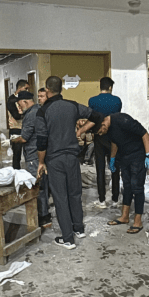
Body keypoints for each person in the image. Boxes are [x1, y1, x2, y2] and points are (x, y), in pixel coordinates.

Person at [36, 76, 103, 250]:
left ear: (47, 90)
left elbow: (42, 141)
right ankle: (78, 229)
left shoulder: (43, 111)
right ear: (61, 89)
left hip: (55, 159)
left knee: (60, 197)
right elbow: (96, 115)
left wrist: (41, 162)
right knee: (75, 194)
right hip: (73, 158)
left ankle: (67, 238)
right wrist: (81, 130)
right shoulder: (73, 106)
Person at [92, 112, 149, 234]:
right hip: (124, 157)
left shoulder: (122, 120)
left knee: (137, 187)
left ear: (103, 124)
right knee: (126, 187)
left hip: (137, 155)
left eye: (100, 131)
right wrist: (113, 158)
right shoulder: (108, 130)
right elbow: (115, 142)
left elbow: (144, 133)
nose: (100, 134)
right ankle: (124, 217)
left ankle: (138, 221)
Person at [10, 91, 51, 228]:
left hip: (34, 155)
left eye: (19, 104)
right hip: (43, 153)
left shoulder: (31, 114)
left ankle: (43, 217)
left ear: (26, 101)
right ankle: (45, 215)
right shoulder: (39, 110)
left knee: (37, 187)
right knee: (43, 186)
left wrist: (13, 140)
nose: (18, 108)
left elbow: (25, 137)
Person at [87, 77, 122, 209]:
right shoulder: (117, 100)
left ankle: (101, 200)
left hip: (99, 137)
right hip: (114, 137)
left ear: (100, 86)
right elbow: (116, 117)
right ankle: (115, 199)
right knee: (114, 167)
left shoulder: (92, 100)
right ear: (110, 88)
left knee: (100, 169)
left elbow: (92, 118)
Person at [7, 79, 30, 169]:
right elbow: (16, 115)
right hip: (15, 129)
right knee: (17, 156)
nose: (27, 91)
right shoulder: (12, 100)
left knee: (28, 153)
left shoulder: (25, 99)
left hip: (25, 128)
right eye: (26, 88)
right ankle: (16, 173)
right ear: (20, 88)